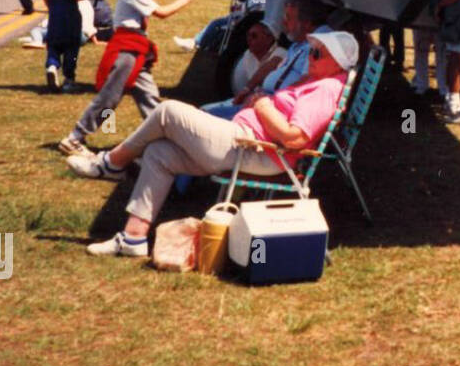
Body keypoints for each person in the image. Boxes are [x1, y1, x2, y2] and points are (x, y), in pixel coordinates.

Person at [68, 31, 358, 257]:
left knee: (168, 112)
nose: (311, 56)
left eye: (318, 52)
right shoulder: (317, 80)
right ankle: (133, 238)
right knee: (159, 152)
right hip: (243, 142)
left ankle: (111, 163)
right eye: (311, 49)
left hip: (254, 150)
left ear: (337, 63)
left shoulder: (325, 89)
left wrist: (262, 106)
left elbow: (295, 139)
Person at [58, 0, 196, 157]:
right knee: (108, 98)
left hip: (136, 50)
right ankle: (75, 138)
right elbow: (162, 13)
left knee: (149, 98)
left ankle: (164, 140)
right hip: (127, 51)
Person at [203, 0, 333, 120]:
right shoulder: (300, 42)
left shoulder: (320, 44)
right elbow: (274, 64)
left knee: (205, 116)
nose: (284, 22)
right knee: (204, 111)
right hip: (263, 100)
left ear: (307, 23)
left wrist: (269, 100)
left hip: (273, 109)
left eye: (288, 18)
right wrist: (247, 89)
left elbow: (309, 81)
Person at [40, 0, 99, 92]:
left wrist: (50, 7)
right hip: (70, 10)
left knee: (53, 42)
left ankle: (52, 65)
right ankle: (69, 78)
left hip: (54, 8)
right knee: (71, 45)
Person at [230, 21, 287, 96]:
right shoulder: (248, 55)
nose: (249, 39)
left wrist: (246, 90)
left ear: (269, 39)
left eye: (254, 36)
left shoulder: (281, 53)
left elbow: (269, 67)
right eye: (248, 35)